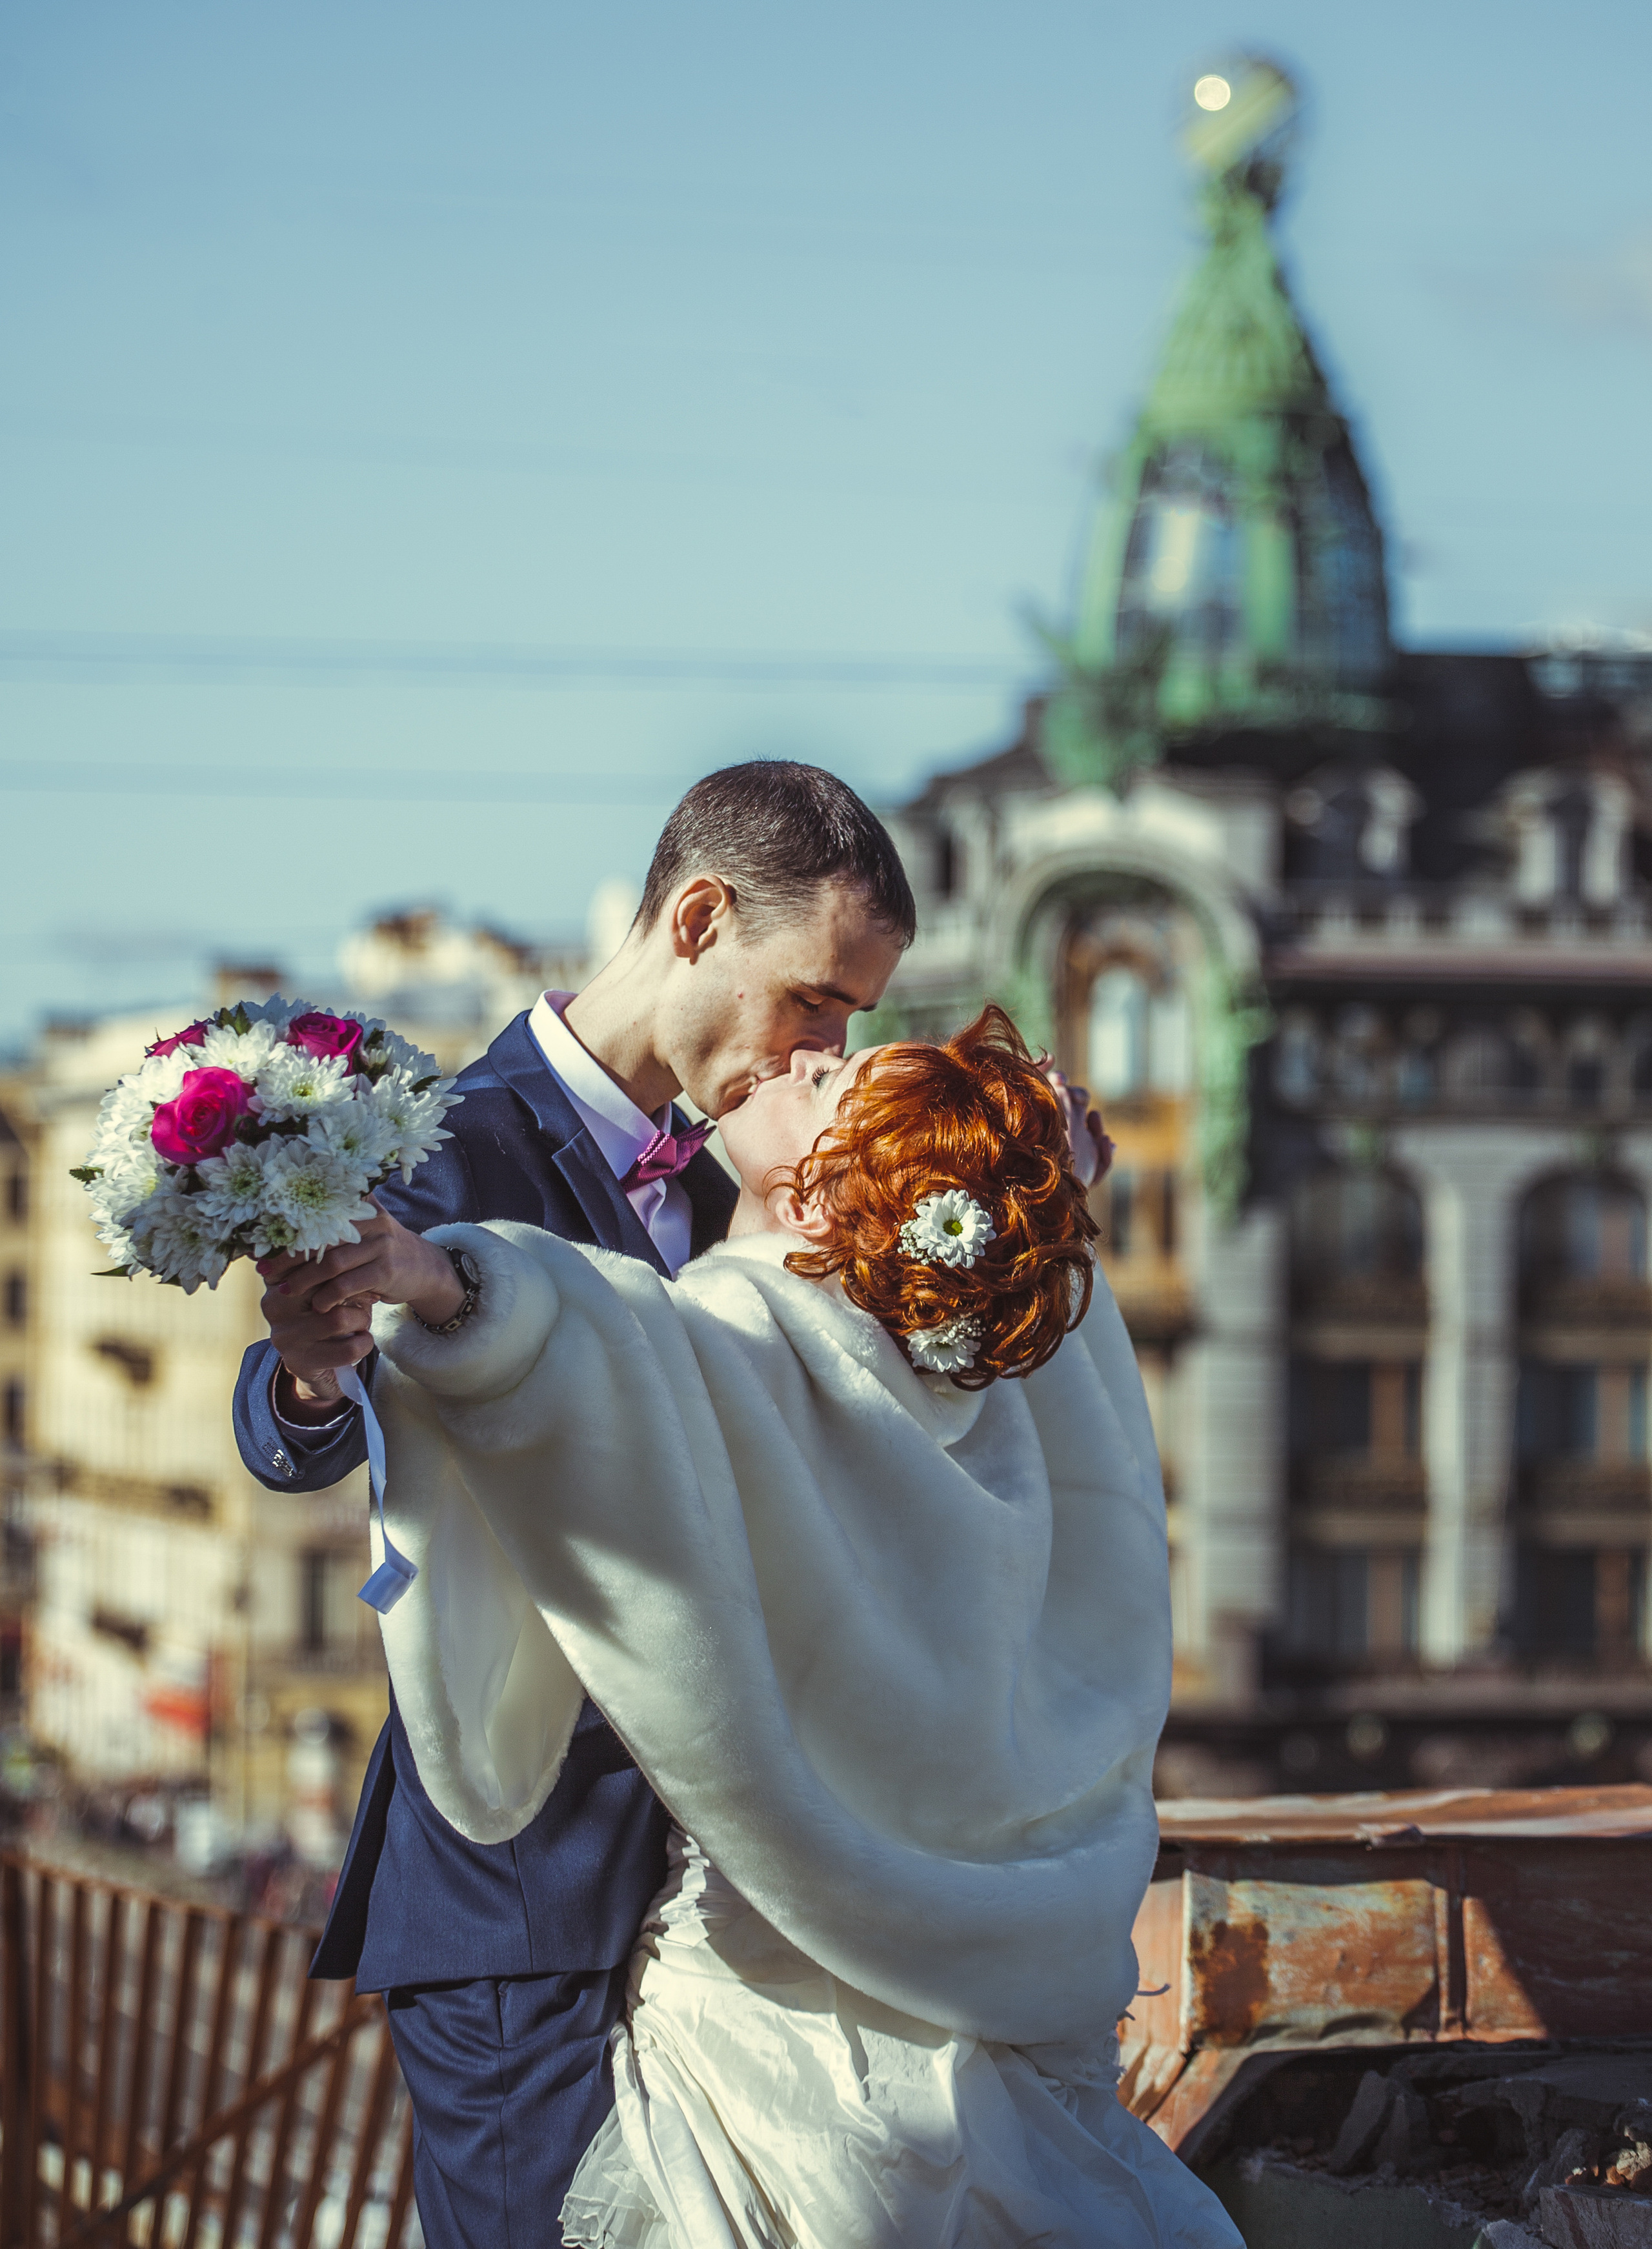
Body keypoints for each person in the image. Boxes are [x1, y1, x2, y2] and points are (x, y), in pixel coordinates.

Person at [361, 1009, 1242, 2249]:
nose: (802, 1056)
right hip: (962, 2010)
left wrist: (435, 1281)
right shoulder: (977, 1371)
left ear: (829, 1197)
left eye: (831, 1077)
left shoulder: (746, 1332)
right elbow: (1063, 1323)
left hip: (769, 2013)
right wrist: (1049, 1179)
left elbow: (594, 1345)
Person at [230, 761, 918, 2248]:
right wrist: (301, 1372)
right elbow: (291, 1434)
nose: (827, 1047)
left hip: (726, 1892)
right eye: (814, 999)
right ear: (698, 918)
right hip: (519, 1886)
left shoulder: (751, 1168)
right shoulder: (439, 1140)